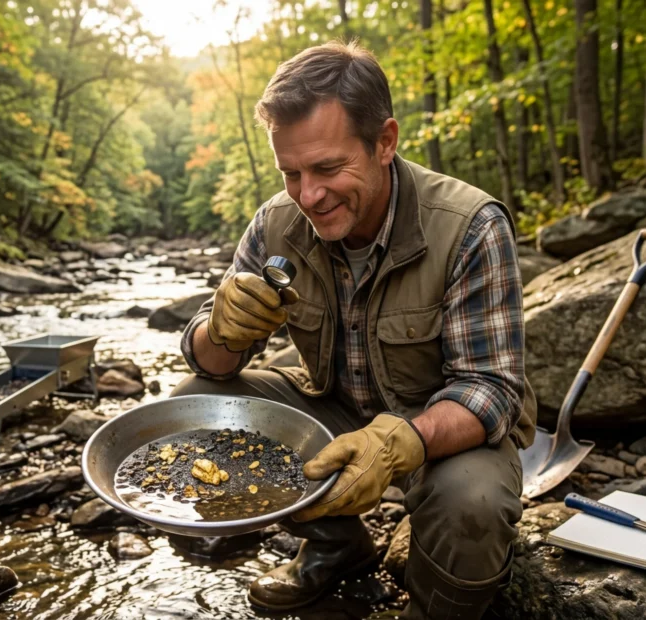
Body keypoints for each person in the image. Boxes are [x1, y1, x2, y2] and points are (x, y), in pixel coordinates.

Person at [172, 40, 537, 619]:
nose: (308, 195)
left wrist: (398, 445)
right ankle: (337, 552)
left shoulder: (470, 226)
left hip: (443, 435)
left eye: (327, 168)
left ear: (384, 142)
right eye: (290, 172)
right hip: (335, 407)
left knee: (472, 501)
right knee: (197, 406)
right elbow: (210, 366)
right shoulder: (275, 223)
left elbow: (492, 389)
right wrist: (218, 331)